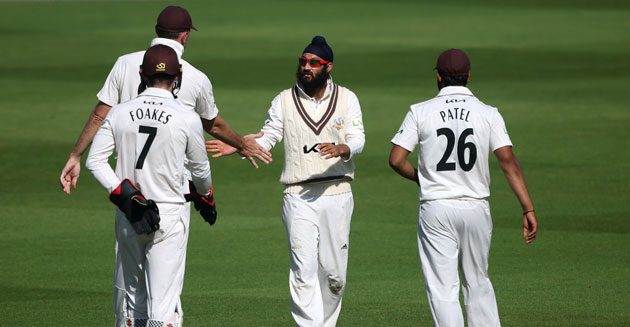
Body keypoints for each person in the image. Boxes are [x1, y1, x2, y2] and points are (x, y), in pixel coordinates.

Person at [207, 36, 365, 326]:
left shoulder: (347, 98)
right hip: (298, 195)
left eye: (314, 63)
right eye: (303, 62)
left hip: (337, 192)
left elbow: (358, 138)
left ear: (327, 67)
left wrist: (344, 148)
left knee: (334, 276)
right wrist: (243, 144)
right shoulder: (283, 100)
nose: (306, 67)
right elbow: (269, 135)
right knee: (303, 271)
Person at [388, 48, 538, 326]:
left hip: (436, 209)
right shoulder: (488, 113)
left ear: (438, 78)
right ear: (468, 76)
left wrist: (422, 178)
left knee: (443, 289)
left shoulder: (420, 111)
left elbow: (396, 159)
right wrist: (527, 207)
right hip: (476, 208)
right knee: (477, 282)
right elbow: (508, 162)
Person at [60, 5, 271, 195]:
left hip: (128, 181)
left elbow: (99, 116)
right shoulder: (196, 77)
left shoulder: (124, 63)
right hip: (173, 182)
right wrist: (243, 145)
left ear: (156, 31)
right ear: (185, 36)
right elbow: (213, 125)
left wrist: (75, 156)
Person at [86, 44, 214, 326]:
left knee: (133, 302)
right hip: (168, 212)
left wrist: (125, 195)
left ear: (142, 74)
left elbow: (94, 161)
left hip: (130, 213)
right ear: (177, 76)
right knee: (164, 304)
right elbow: (200, 168)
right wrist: (205, 194)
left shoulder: (119, 113)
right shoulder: (186, 117)